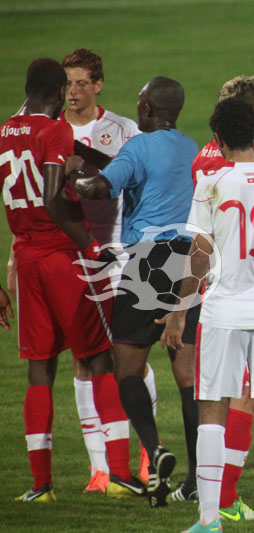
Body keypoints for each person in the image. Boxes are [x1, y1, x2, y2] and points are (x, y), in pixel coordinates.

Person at [1, 58, 142, 502]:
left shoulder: (5, 130)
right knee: (99, 357)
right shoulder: (55, 130)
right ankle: (118, 472)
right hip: (65, 256)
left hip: (25, 258)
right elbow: (53, 200)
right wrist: (92, 247)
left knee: (39, 368)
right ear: (59, 91)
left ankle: (41, 485)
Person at [164, 97, 254, 533]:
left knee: (212, 412)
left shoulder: (211, 183)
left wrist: (178, 310)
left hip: (221, 310)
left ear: (220, 139)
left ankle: (209, 521)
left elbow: (201, 254)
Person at [66, 76, 200, 507]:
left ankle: (155, 447)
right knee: (187, 376)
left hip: (149, 260)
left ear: (146, 111)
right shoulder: (192, 147)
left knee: (127, 367)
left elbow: (100, 187)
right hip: (192, 262)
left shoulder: (139, 147)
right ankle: (197, 477)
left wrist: (72, 177)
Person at [59, 47, 157, 492]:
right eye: (67, 83)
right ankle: (98, 467)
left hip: (117, 255)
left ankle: (145, 450)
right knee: (83, 359)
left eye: (82, 83)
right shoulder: (51, 131)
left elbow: (136, 186)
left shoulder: (124, 130)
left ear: (98, 85)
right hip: (68, 258)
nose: (73, 92)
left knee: (126, 356)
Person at [181, 75, 254, 520]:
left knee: (227, 394)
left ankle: (216, 499)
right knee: (239, 394)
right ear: (251, 116)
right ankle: (223, 499)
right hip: (236, 292)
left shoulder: (206, 158)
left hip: (216, 290)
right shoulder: (242, 165)